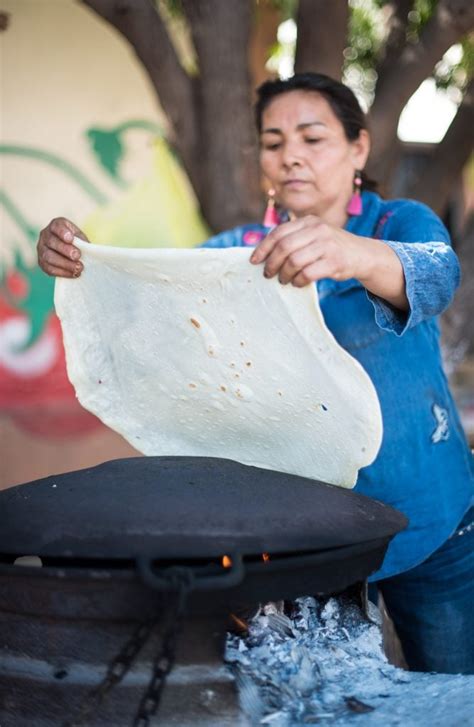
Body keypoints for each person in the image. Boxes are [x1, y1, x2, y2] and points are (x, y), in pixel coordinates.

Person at [37, 73, 473, 674]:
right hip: (313, 539)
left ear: (359, 149)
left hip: (436, 521)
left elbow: (437, 272)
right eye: (273, 141)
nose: (290, 154)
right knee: (331, 698)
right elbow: (158, 305)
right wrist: (83, 265)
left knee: (453, 693)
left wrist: (349, 252)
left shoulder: (396, 224)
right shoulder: (238, 253)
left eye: (312, 137)